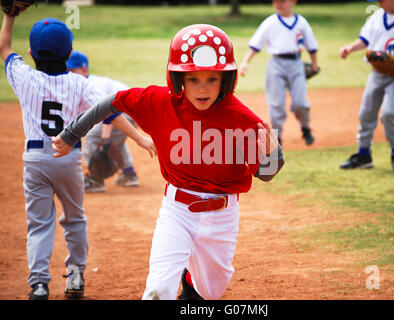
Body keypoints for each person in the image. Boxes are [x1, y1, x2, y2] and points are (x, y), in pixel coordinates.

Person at [52, 24, 285, 300]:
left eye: (212, 79)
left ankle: (191, 285)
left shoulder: (241, 118)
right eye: (193, 79)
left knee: (210, 293)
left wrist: (271, 157)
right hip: (178, 211)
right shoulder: (159, 102)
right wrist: (72, 133)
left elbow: (267, 174)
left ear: (225, 79)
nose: (202, 89)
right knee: (158, 289)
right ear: (178, 80)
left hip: (223, 216)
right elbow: (113, 101)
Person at [0, 15, 154, 300]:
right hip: (68, 158)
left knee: (39, 223)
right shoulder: (79, 84)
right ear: (70, 54)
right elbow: (110, 110)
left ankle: (39, 284)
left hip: (34, 159)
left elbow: (5, 48)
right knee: (74, 218)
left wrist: (8, 16)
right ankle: (75, 275)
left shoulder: (24, 76)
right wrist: (140, 137)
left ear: (32, 53)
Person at [339, 0, 394, 173]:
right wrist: (350, 48)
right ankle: (364, 154)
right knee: (366, 113)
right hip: (377, 74)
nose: (380, 2)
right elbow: (364, 40)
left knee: (388, 113)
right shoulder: (377, 16)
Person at [239, 0, 319, 146]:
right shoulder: (270, 22)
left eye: (282, 1)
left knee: (300, 102)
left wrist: (314, 64)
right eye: (276, 1)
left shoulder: (301, 22)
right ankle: (277, 137)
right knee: (276, 104)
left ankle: (305, 127)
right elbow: (256, 45)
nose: (278, 3)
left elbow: (311, 46)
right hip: (276, 64)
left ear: (293, 1)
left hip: (296, 64)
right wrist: (245, 62)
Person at [67, 51, 141, 193]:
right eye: (66, 70)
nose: (68, 74)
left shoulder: (91, 85)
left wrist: (105, 138)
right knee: (114, 139)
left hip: (129, 111)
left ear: (84, 70)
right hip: (132, 111)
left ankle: (95, 180)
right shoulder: (84, 83)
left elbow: (110, 112)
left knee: (94, 136)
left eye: (72, 70)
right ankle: (129, 174)